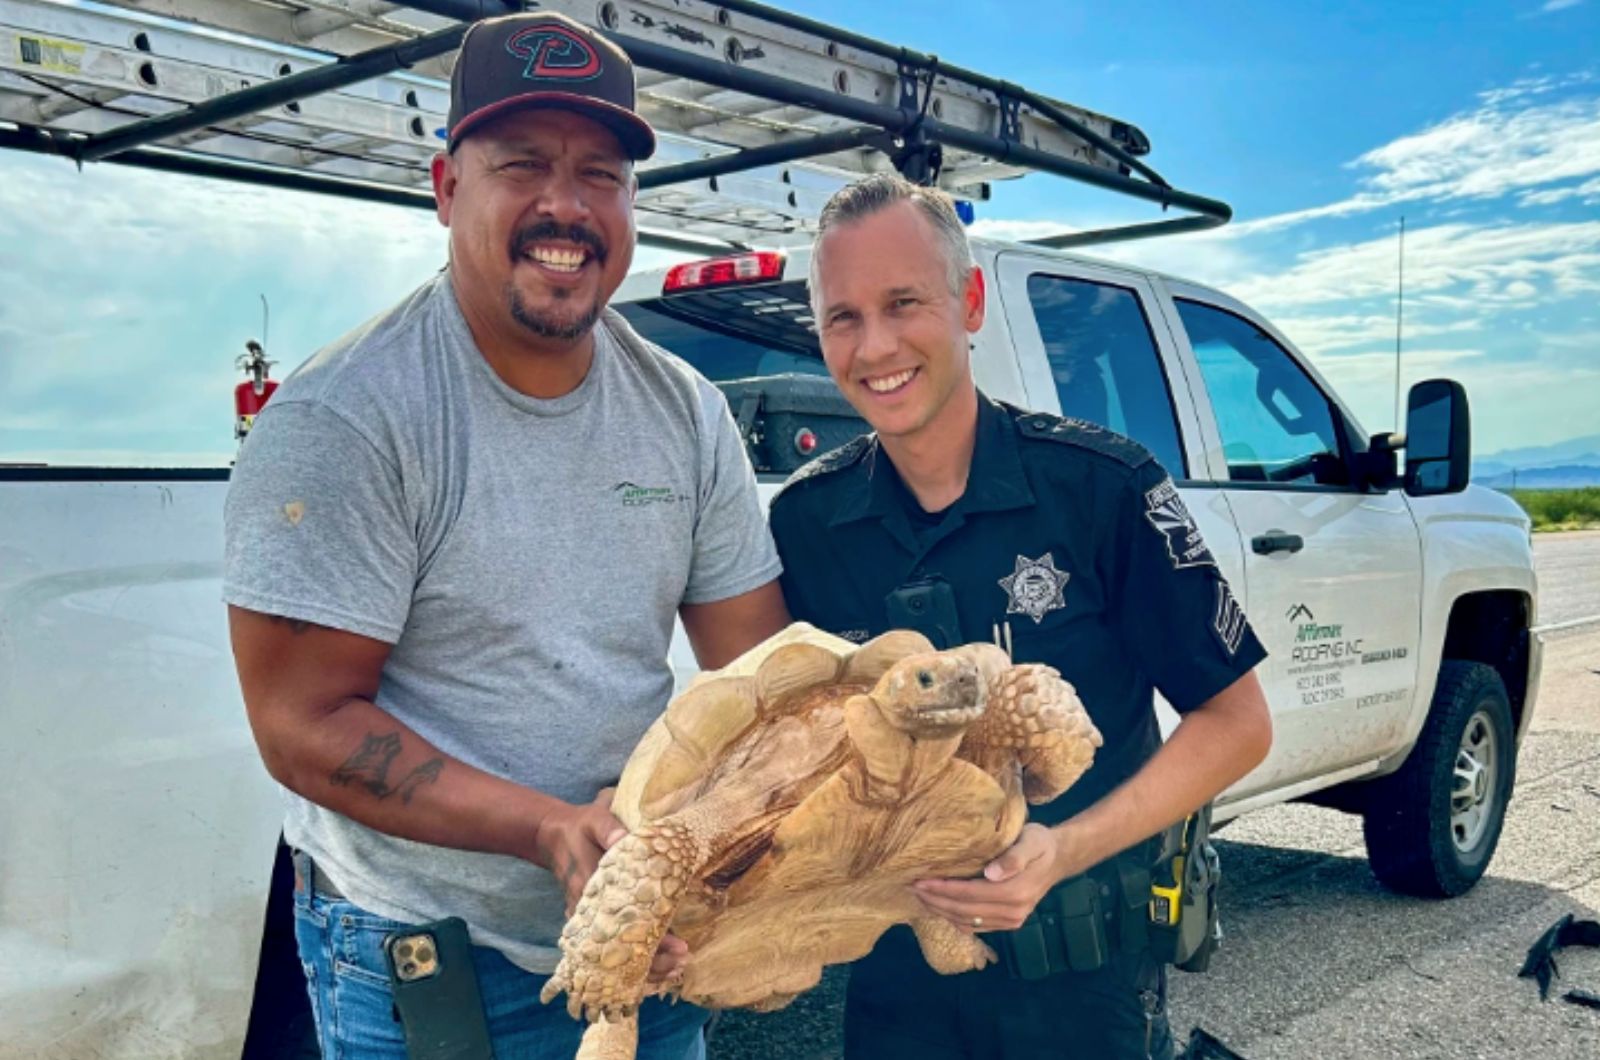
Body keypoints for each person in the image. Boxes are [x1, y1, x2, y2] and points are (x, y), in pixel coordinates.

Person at [223, 12, 789, 1059]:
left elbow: (758, 679)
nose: (565, 205)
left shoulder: (686, 412)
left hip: (642, 943)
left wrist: (705, 844)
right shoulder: (348, 416)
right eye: (522, 163)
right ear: (446, 189)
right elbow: (299, 722)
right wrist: (547, 828)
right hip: (428, 967)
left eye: (600, 173)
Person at [769, 174, 1274, 1060]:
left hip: (1080, 981)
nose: (874, 344)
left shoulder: (1101, 489)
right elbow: (790, 756)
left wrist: (1063, 850)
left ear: (968, 301)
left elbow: (1237, 725)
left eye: (903, 302)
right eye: (842, 316)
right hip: (897, 992)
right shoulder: (808, 523)